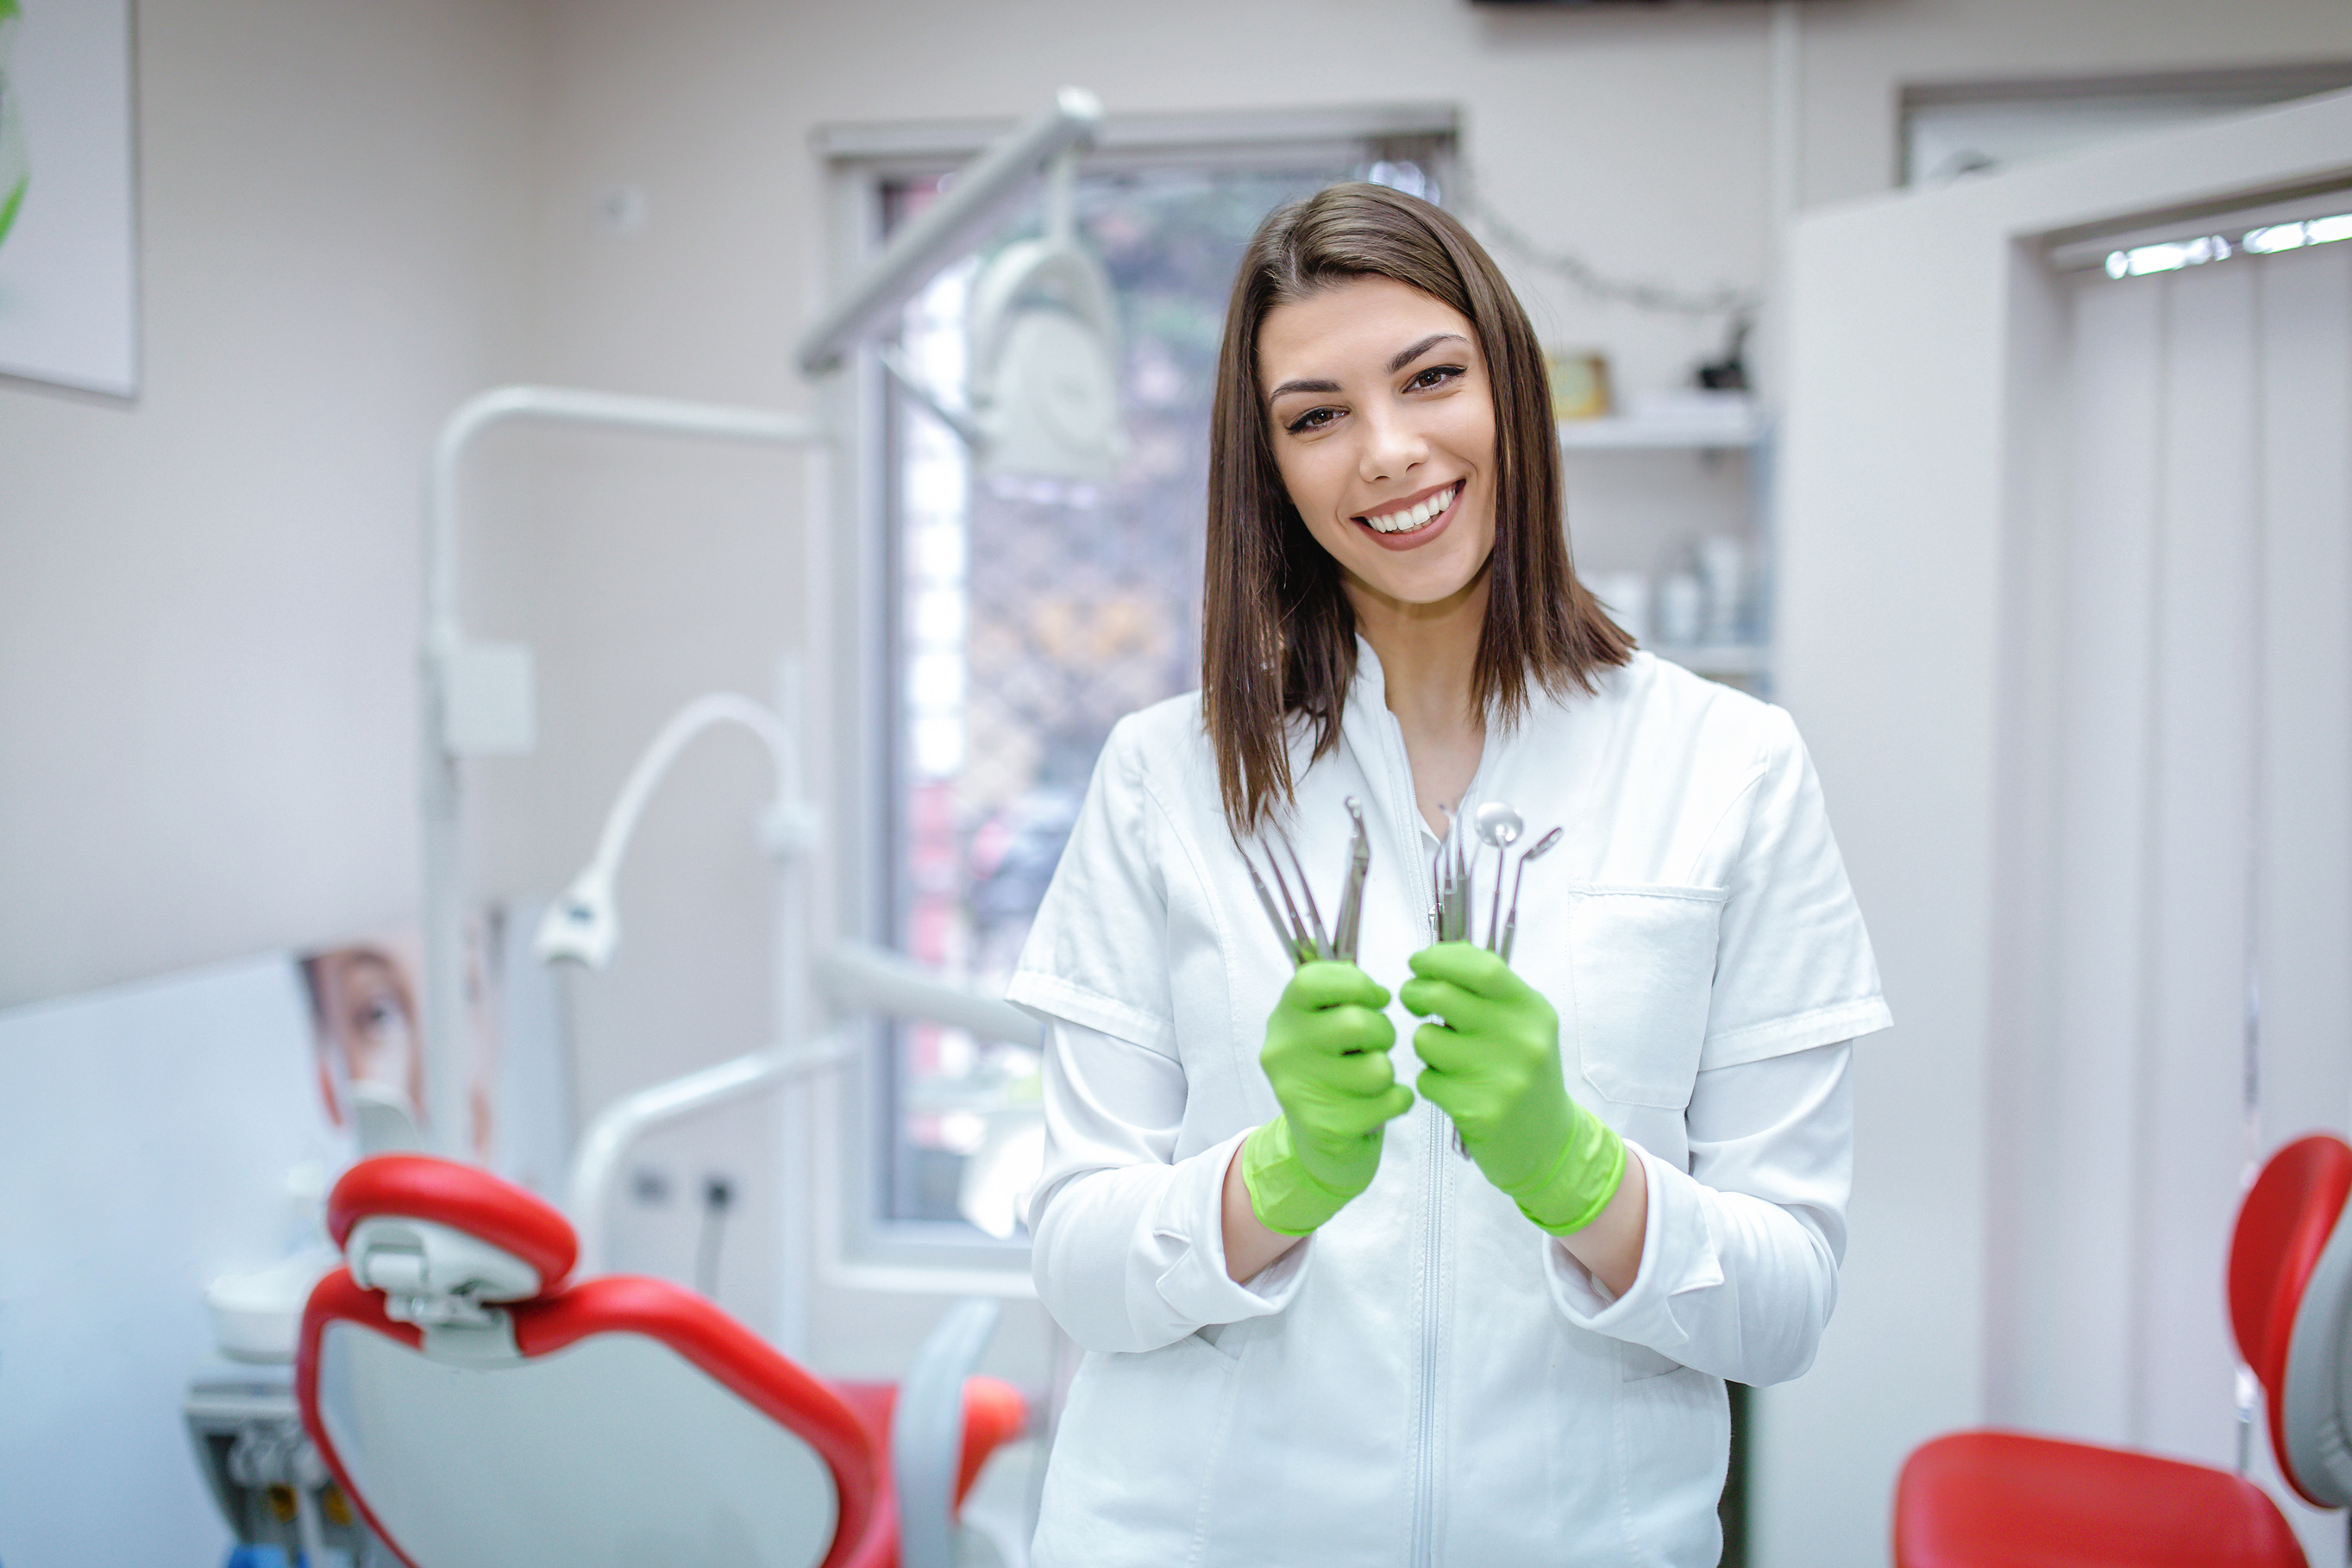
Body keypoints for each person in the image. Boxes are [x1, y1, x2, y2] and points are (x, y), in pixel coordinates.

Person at [1009, 183, 1890, 1567]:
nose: (1389, 451)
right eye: (1316, 415)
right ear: (1271, 468)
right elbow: (1073, 1258)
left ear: (1511, 388)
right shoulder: (1162, 777)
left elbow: (1784, 1311)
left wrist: (1581, 1170)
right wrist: (1274, 1181)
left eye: (1432, 378)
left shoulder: (1729, 767)